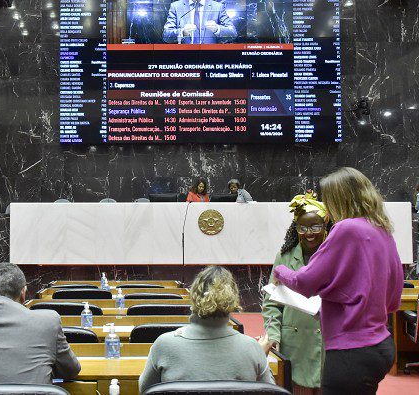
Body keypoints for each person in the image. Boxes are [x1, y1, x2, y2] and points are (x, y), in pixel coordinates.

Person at [272, 167, 403, 395]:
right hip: (381, 345)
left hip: (351, 352)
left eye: (327, 200)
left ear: (339, 198)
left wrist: (280, 271)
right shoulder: (382, 229)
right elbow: (393, 299)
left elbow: (305, 282)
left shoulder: (346, 228)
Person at [139, 266, 274, 393]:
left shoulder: (164, 344)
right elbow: (270, 391)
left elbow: (144, 389)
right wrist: (261, 357)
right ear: (233, 300)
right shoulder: (252, 348)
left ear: (194, 296)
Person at [262, 191, 327, 395]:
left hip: (329, 342)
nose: (309, 233)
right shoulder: (285, 256)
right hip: (295, 345)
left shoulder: (335, 254)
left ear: (326, 225)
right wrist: (273, 334)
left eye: (316, 226)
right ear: (295, 228)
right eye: (303, 227)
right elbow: (271, 302)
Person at [162, 0, 237, 44]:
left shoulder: (218, 7)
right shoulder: (176, 6)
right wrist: (182, 32)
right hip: (184, 55)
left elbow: (233, 33)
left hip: (211, 54)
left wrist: (217, 29)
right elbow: (166, 36)